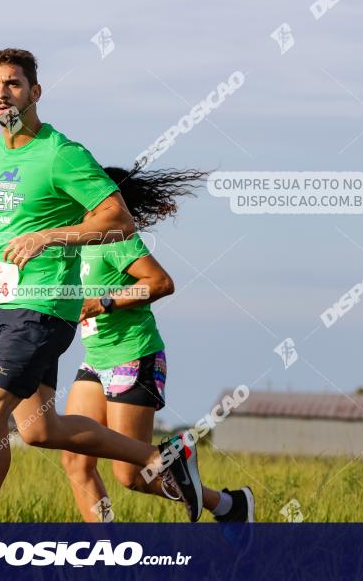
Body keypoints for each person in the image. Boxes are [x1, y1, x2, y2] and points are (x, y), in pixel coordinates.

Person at [0, 48, 202, 522]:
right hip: (8, 306)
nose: (2, 94)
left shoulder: (60, 153)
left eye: (13, 83)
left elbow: (119, 219)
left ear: (35, 92)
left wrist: (49, 237)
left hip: (45, 306)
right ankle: (158, 458)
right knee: (40, 429)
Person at [61, 165, 254, 523]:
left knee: (131, 476)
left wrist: (103, 302)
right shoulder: (81, 240)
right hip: (96, 359)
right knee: (75, 459)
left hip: (133, 356)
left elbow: (161, 282)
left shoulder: (115, 239)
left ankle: (229, 505)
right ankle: (107, 556)